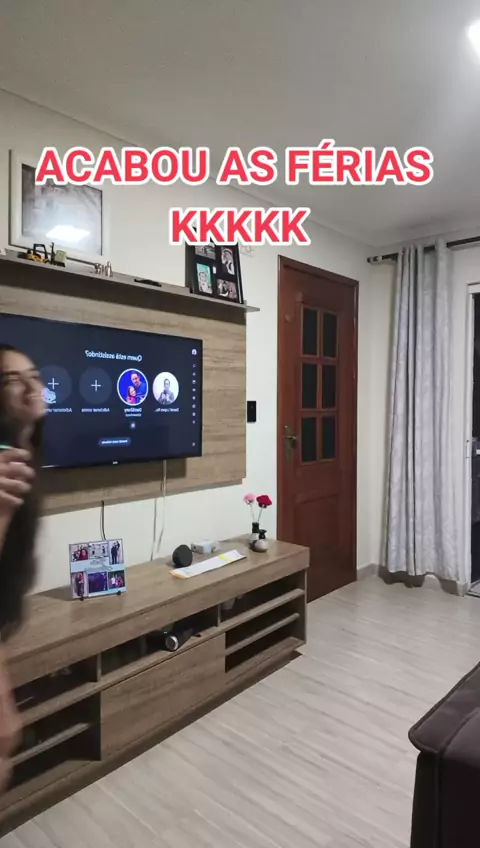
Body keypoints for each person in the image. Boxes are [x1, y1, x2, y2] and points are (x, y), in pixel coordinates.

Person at [0, 344, 45, 792]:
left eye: (34, 374)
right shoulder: (6, 468)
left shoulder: (22, 453)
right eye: (13, 379)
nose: (31, 386)